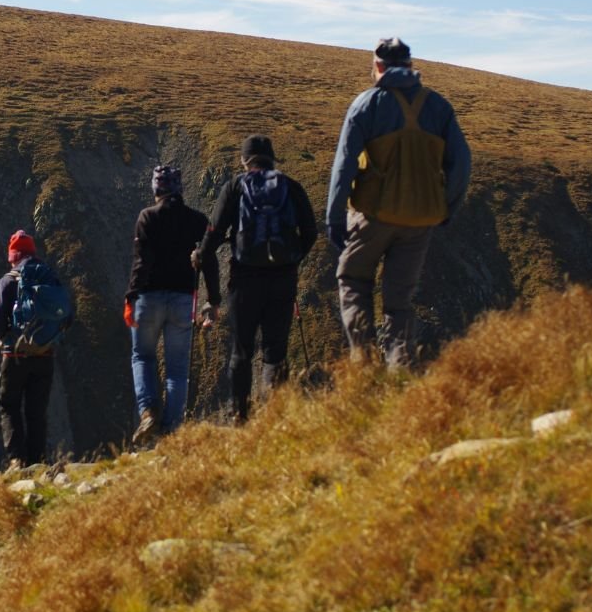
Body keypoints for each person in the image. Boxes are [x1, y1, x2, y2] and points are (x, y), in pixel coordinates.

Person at [325, 37, 471, 369]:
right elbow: (462, 163)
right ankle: (400, 368)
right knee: (399, 301)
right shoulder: (438, 106)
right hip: (420, 220)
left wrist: (334, 217)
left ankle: (365, 365)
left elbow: (345, 165)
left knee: (353, 280)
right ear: (410, 65)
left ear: (378, 66)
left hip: (372, 214)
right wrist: (446, 208)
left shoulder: (366, 104)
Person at [195, 135, 317, 422]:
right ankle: (274, 418)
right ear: (272, 159)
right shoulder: (291, 187)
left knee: (242, 349)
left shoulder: (235, 187)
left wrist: (200, 255)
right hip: (283, 280)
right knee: (276, 349)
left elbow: (214, 232)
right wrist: (292, 259)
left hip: (245, 279)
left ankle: (239, 416)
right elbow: (310, 232)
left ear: (244, 161)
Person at [125, 165, 220, 444]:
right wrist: (213, 300)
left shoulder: (147, 217)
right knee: (178, 370)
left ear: (156, 188)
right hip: (183, 300)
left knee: (142, 356)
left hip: (148, 298)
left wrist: (131, 296)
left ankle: (148, 412)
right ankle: (171, 431)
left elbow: (141, 263)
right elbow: (209, 262)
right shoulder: (197, 220)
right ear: (179, 187)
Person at [0, 230, 73, 468]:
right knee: (37, 410)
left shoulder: (7, 281)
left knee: (9, 405)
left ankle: (17, 460)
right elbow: (67, 316)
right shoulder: (50, 278)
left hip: (15, 355)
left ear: (13, 256)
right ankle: (38, 461)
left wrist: (5, 338)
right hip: (44, 354)